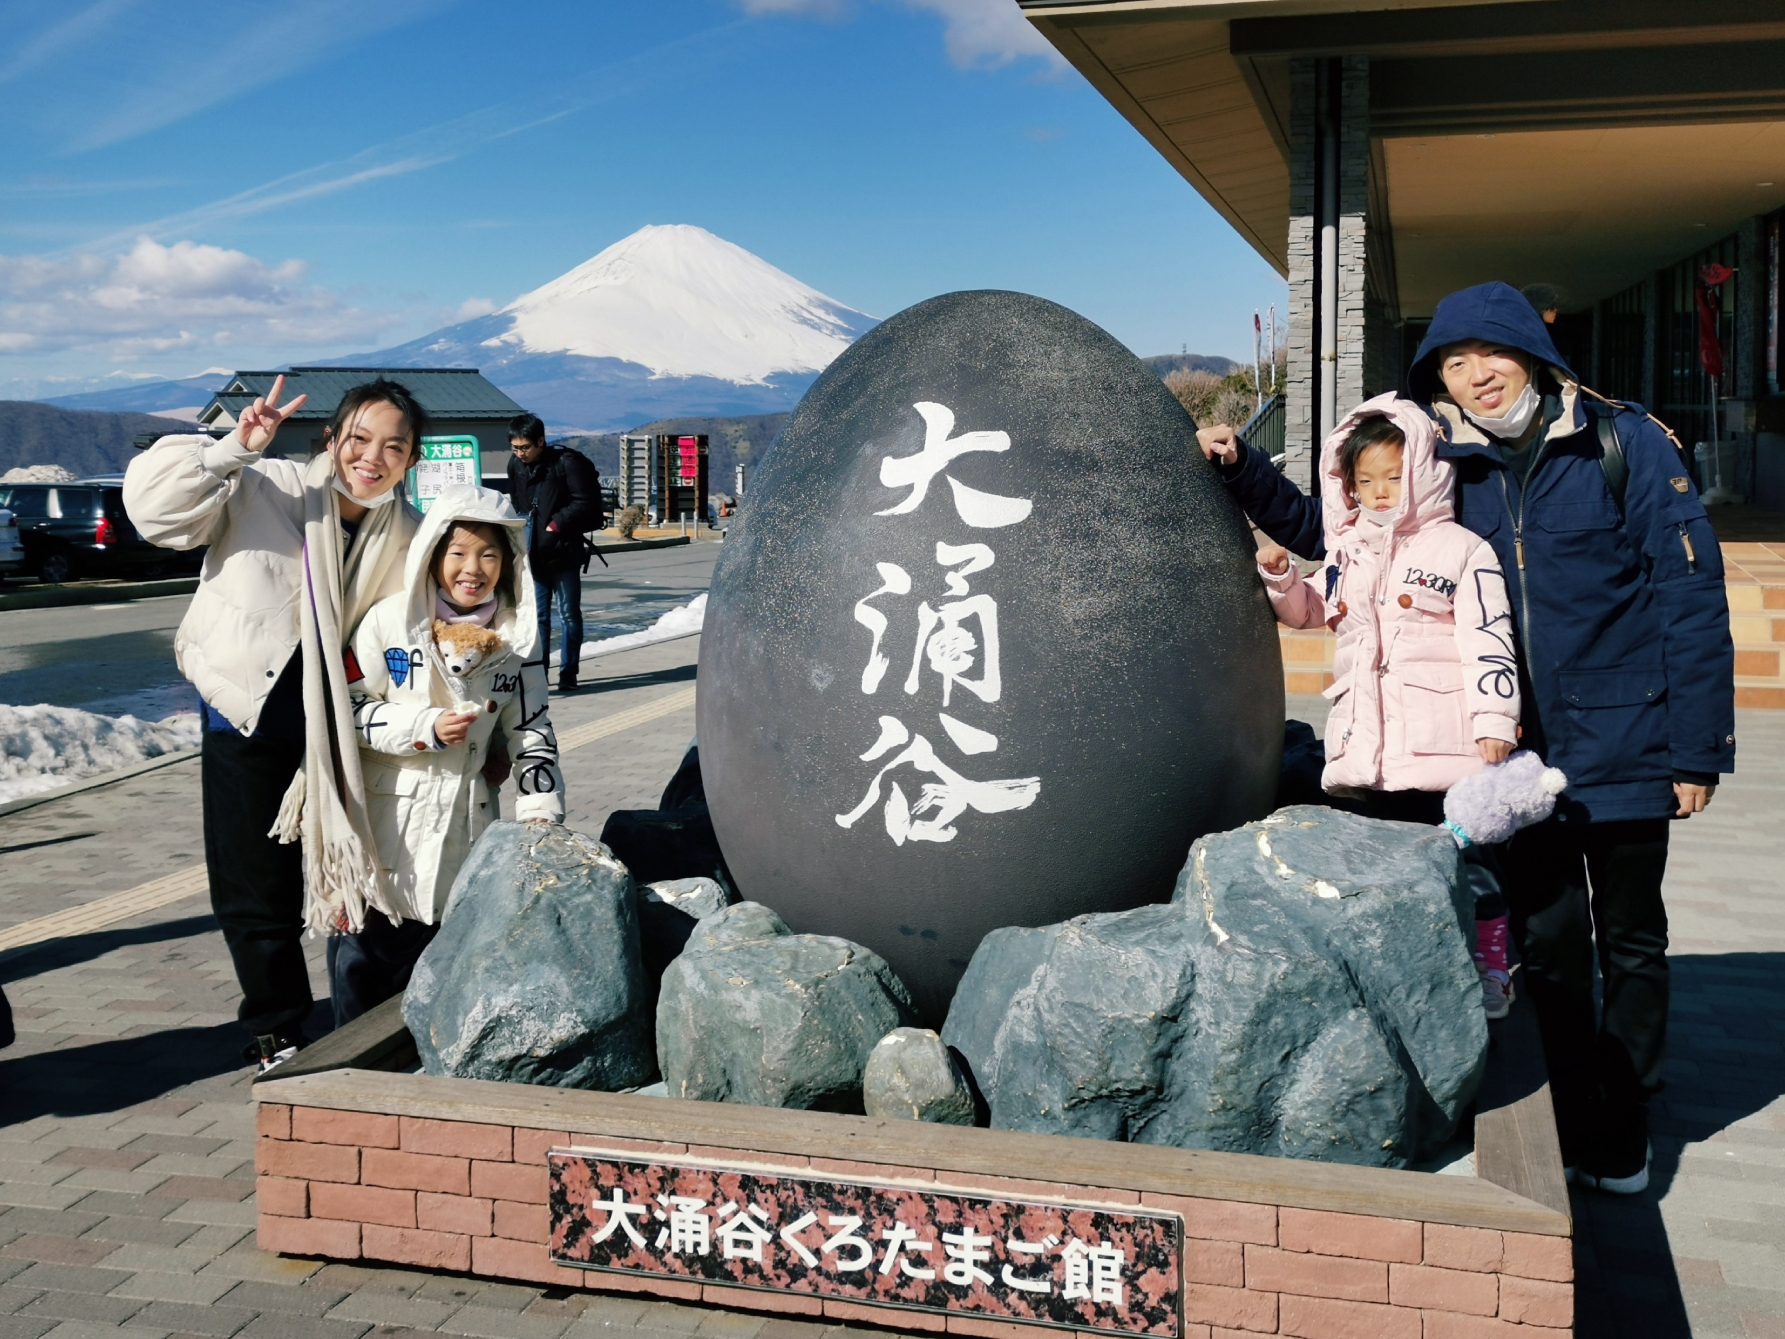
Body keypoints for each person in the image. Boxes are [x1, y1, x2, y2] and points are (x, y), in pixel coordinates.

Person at [1200, 280, 1735, 1194]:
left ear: (1532, 352)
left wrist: (1697, 748)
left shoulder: (1626, 445)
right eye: (1452, 362)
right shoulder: (1450, 467)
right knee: (1554, 941)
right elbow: (1347, 526)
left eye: (1490, 353)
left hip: (1626, 734)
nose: (1475, 375)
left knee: (1634, 938)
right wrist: (1243, 469)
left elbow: (1688, 597)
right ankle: (1571, 1112)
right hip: (1515, 752)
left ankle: (1624, 1118)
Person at [124, 377, 426, 1069]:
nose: (371, 457)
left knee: (364, 883)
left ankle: (370, 1016)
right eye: (358, 438)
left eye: (393, 446)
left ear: (410, 459)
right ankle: (277, 1028)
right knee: (255, 889)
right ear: (332, 439)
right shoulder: (267, 486)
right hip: (247, 718)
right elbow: (153, 510)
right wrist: (232, 449)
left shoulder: (407, 535)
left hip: (344, 734)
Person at [1257, 392, 1520, 1016]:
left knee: (1471, 866)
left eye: (1393, 478)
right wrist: (1283, 578)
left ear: (1424, 472)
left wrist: (1495, 722)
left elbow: (1490, 640)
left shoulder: (1461, 550)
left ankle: (1489, 965)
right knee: (1379, 873)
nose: (1378, 492)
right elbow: (1311, 613)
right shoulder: (1351, 552)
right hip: (1368, 750)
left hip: (1446, 749)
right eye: (1363, 481)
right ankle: (1398, 974)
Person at [334, 486, 564, 1024]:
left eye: (489, 554)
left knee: (444, 980)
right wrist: (422, 727)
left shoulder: (517, 636)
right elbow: (348, 707)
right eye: (457, 552)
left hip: (468, 827)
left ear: (510, 561)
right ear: (432, 553)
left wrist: (540, 813)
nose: (472, 568)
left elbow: (531, 726)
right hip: (383, 831)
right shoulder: (387, 623)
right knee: (362, 975)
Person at [505, 413, 603, 692]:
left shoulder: (565, 463)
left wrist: (555, 524)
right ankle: (539, 675)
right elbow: (516, 504)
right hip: (533, 552)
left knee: (569, 614)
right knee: (539, 618)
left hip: (565, 551)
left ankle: (569, 672)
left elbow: (585, 502)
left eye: (525, 447)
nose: (520, 453)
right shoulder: (515, 465)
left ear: (541, 441)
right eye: (515, 447)